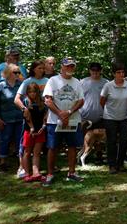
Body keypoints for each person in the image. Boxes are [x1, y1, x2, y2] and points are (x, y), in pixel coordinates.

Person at [43, 57, 85, 186]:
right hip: (55, 121)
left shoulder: (76, 82)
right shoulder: (53, 80)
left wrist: (69, 112)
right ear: (61, 67)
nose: (70, 68)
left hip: (72, 120)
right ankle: (50, 174)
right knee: (52, 147)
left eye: (72, 66)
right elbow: (48, 100)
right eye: (67, 66)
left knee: (72, 146)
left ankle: (71, 173)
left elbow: (81, 100)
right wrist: (60, 113)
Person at [13, 60, 49, 178]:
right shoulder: (27, 82)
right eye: (39, 68)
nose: (42, 70)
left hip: (43, 117)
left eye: (43, 68)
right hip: (30, 121)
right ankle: (23, 170)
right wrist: (25, 109)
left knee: (39, 149)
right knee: (26, 148)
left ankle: (36, 171)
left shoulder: (47, 81)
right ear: (33, 69)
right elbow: (17, 99)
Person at [100, 63, 127, 174]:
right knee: (112, 141)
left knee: (124, 141)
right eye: (118, 72)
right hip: (110, 118)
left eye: (123, 72)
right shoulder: (108, 86)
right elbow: (102, 101)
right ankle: (112, 165)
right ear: (114, 74)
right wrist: (110, 110)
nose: (121, 74)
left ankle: (120, 163)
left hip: (125, 117)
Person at [0, 64, 23, 172]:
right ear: (8, 73)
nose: (18, 74)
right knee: (4, 140)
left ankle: (22, 164)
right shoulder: (0, 86)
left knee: (20, 140)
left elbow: (26, 100)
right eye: (15, 72)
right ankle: (3, 163)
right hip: (5, 119)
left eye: (19, 72)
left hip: (20, 118)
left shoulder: (21, 85)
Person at [79, 63, 108, 165]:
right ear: (89, 70)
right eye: (93, 70)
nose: (95, 72)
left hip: (101, 115)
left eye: (97, 70)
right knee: (86, 138)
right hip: (85, 115)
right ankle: (83, 157)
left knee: (99, 138)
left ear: (101, 70)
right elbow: (78, 98)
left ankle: (99, 156)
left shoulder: (106, 83)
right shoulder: (82, 82)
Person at [21, 83, 48, 182]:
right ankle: (27, 173)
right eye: (30, 92)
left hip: (40, 130)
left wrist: (43, 127)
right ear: (27, 93)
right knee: (27, 152)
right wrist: (32, 128)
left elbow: (46, 115)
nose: (32, 94)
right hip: (29, 130)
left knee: (37, 152)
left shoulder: (42, 102)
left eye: (34, 92)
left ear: (38, 92)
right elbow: (27, 117)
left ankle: (36, 173)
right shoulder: (25, 102)